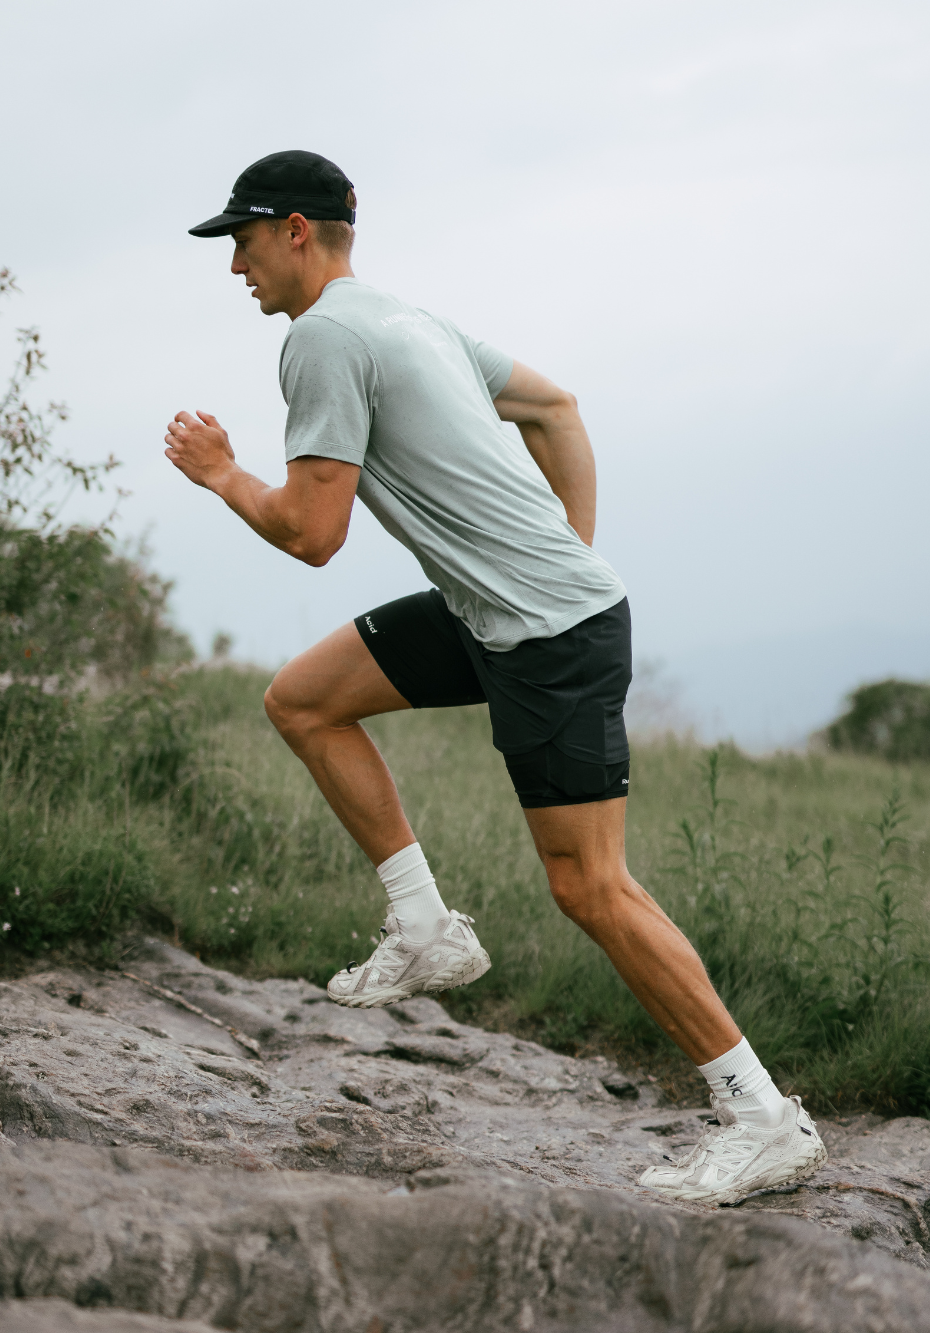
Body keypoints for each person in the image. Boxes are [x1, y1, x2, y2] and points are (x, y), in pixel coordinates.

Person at [167, 149, 828, 1204]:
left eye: (240, 241)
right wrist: (556, 558)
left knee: (591, 889)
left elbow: (311, 532)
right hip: (510, 614)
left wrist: (220, 473)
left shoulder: (323, 339)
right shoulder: (406, 318)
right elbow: (557, 407)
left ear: (295, 230)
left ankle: (760, 1117)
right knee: (303, 698)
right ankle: (425, 927)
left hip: (543, 634)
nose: (234, 264)